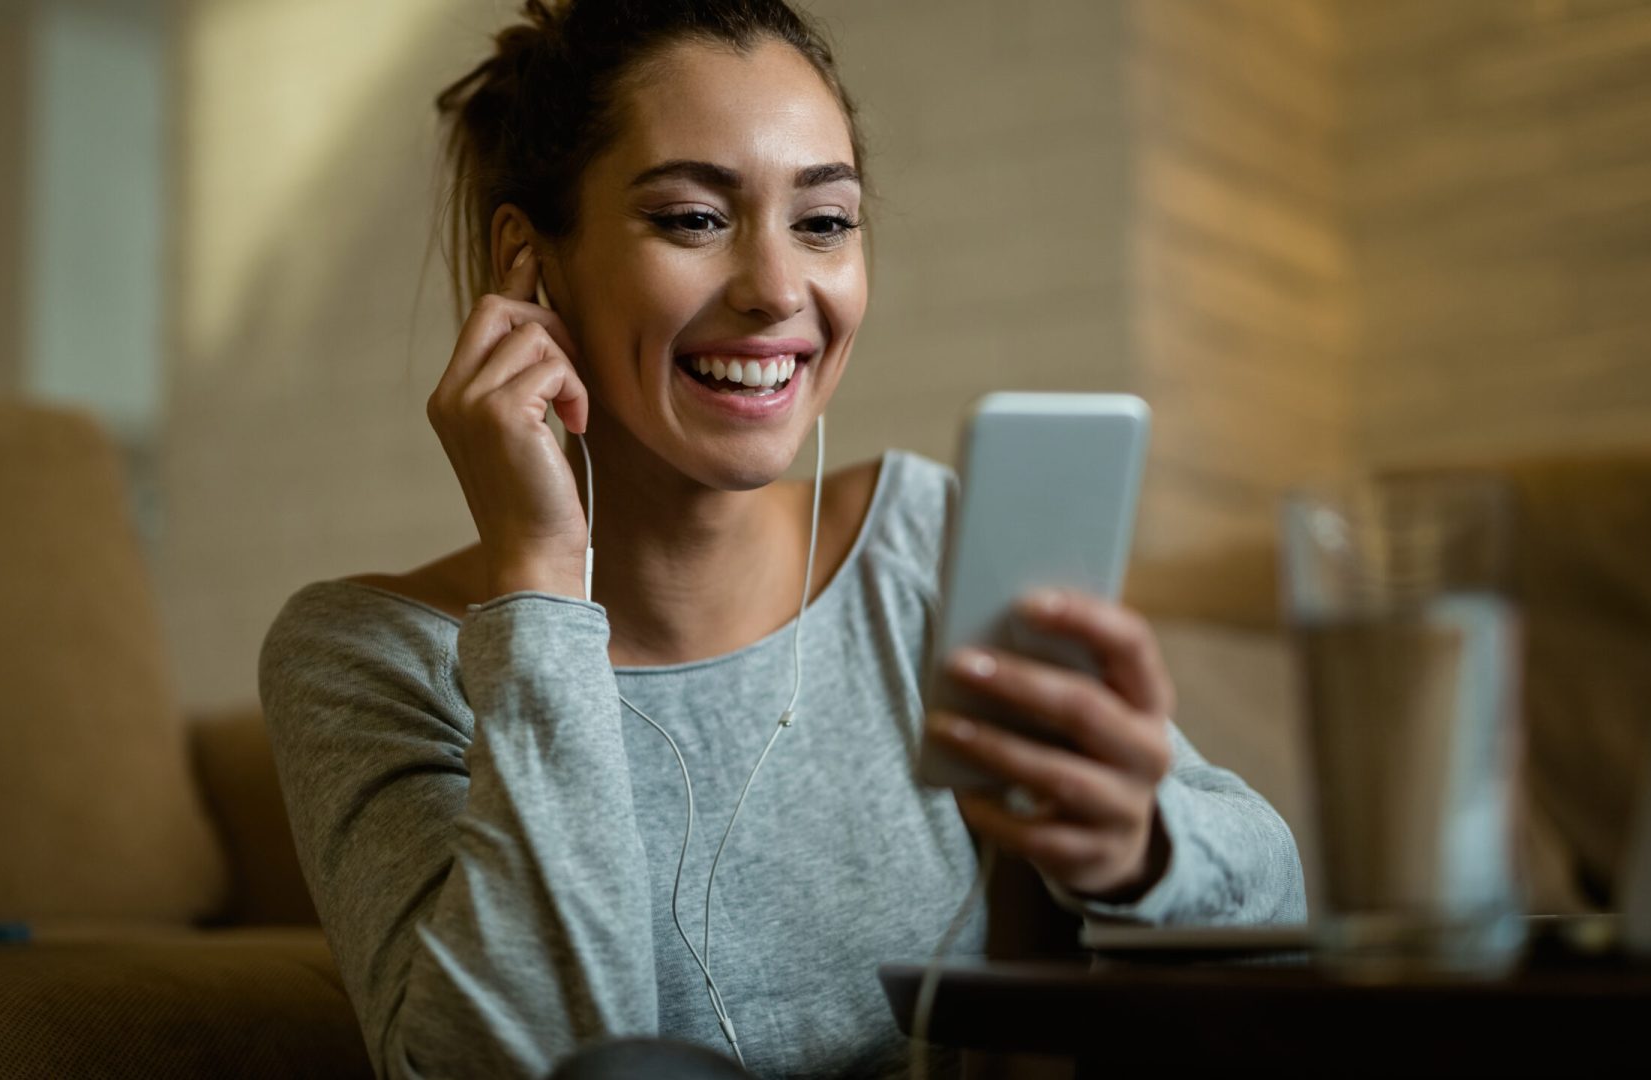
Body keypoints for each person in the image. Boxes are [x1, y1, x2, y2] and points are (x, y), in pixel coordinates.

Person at [257, 1, 1306, 1077]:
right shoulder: (363, 657)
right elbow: (506, 1063)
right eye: (692, 219)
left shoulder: (926, 546)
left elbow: (1278, 918)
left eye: (824, 222)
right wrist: (539, 586)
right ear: (529, 262)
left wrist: (1142, 850)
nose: (775, 290)